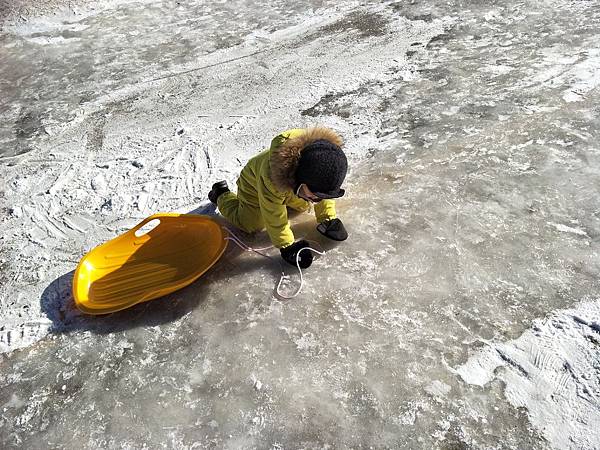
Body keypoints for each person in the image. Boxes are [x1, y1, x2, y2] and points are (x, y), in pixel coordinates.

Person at [208, 126, 348, 269]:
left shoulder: (323, 161)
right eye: (316, 195)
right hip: (254, 185)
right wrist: (286, 245)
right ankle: (221, 194)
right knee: (250, 224)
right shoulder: (271, 178)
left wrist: (327, 218)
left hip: (292, 184)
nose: (318, 199)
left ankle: (298, 198)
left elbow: (323, 190)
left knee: (304, 204)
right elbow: (273, 213)